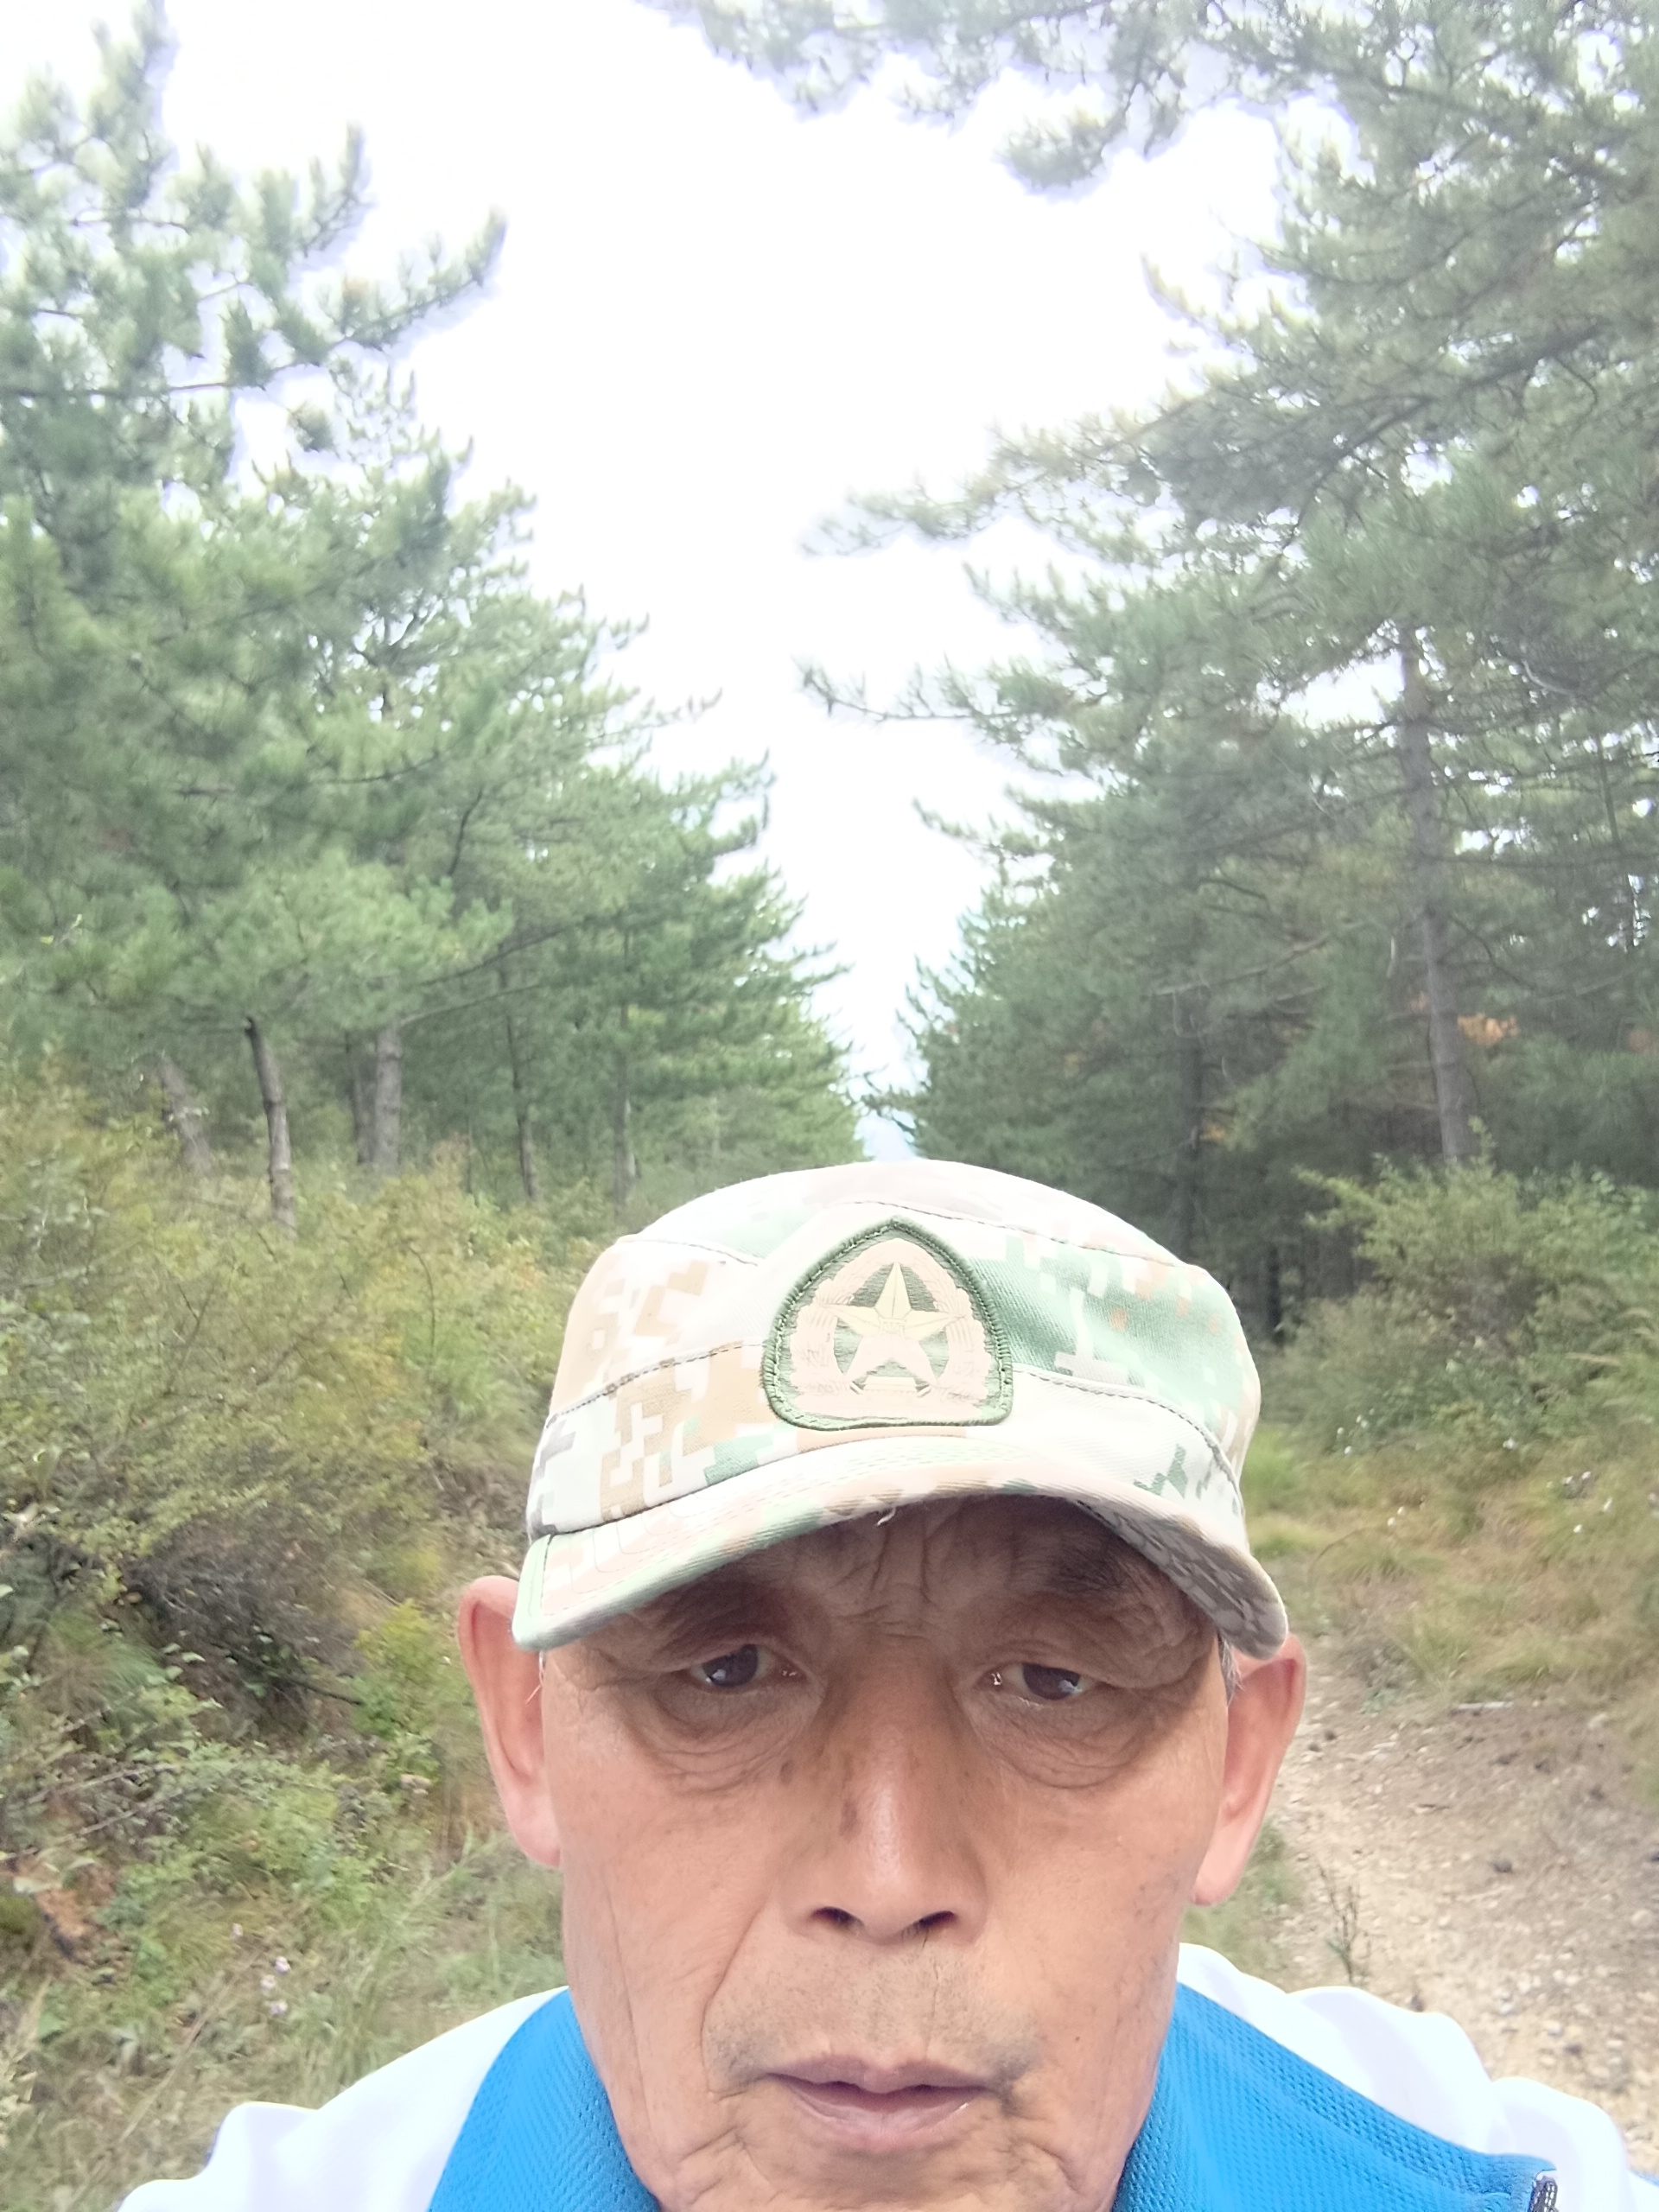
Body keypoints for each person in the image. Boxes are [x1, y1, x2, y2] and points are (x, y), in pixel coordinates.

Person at [122, 1160, 1656, 2212]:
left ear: (1237, 1767)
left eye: (1052, 1680)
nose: (888, 1877)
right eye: (726, 1672)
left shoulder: (1478, 2179)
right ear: (526, 1730)